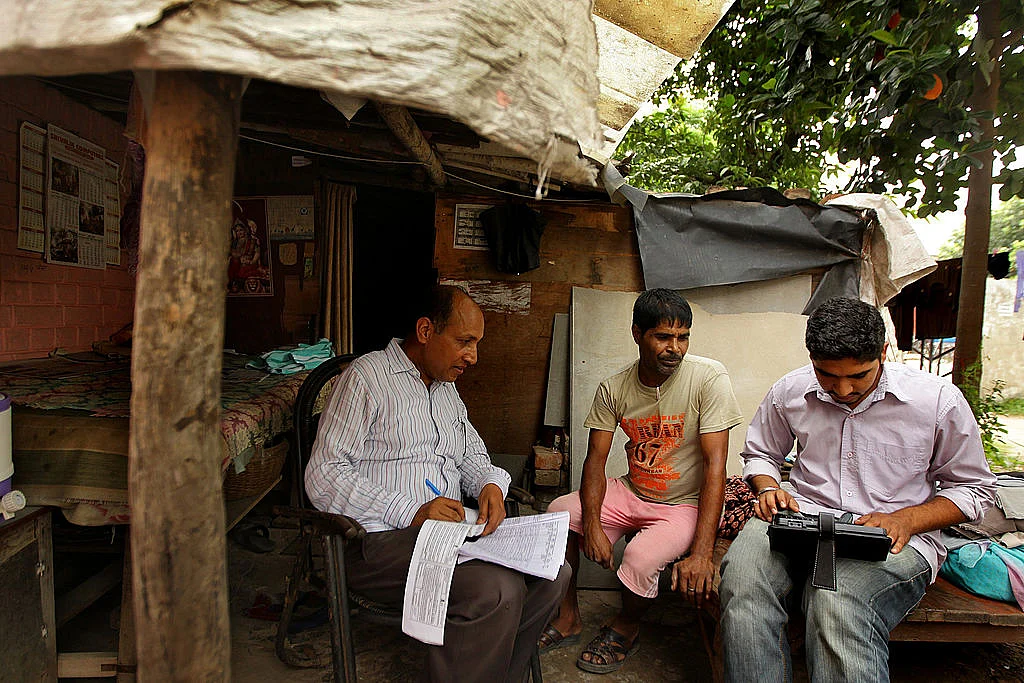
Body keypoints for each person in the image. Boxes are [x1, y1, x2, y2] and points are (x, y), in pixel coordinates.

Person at [719, 297, 998, 683]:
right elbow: (761, 454)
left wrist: (907, 518)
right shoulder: (790, 390)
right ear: (812, 358)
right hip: (801, 518)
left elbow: (974, 489)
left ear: (883, 353)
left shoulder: (935, 401)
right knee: (742, 580)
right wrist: (768, 488)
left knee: (838, 598)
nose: (843, 389)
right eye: (827, 376)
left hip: (896, 537)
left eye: (859, 376)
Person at [305, 285, 570, 683]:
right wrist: (410, 511)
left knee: (554, 574)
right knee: (497, 591)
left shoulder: (447, 392)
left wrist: (491, 486)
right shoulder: (367, 378)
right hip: (375, 543)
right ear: (426, 331)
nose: (473, 357)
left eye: (477, 344)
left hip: (445, 536)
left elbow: (473, 457)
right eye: (465, 342)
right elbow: (324, 472)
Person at [539, 288, 743, 673]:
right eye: (663, 337)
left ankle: (626, 626)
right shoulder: (614, 388)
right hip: (632, 491)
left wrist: (701, 553)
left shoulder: (708, 378)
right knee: (557, 515)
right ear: (637, 333)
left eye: (683, 337)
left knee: (638, 557)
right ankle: (567, 616)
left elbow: (716, 465)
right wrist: (594, 526)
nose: (675, 348)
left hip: (682, 504)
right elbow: (595, 460)